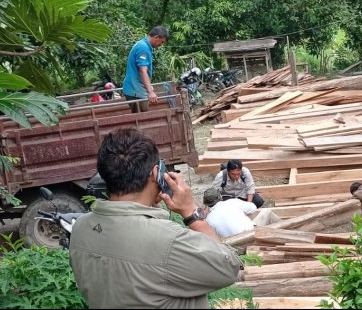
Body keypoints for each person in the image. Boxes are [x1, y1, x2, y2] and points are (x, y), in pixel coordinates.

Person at [69, 129, 241, 309]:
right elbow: (228, 267)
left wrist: (148, 206)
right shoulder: (170, 241)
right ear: (156, 173)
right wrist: (191, 212)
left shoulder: (81, 228)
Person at [122, 26, 169, 113]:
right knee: (142, 120)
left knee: (141, 119)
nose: (161, 45)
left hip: (136, 89)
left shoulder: (143, 45)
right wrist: (150, 92)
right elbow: (143, 71)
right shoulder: (143, 47)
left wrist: (148, 86)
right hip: (136, 91)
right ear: (156, 37)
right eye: (161, 42)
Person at [202, 188, 281, 238]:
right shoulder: (231, 202)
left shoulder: (208, 220)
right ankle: (284, 232)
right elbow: (253, 207)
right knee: (267, 212)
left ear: (206, 204)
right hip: (251, 235)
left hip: (235, 245)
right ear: (220, 197)